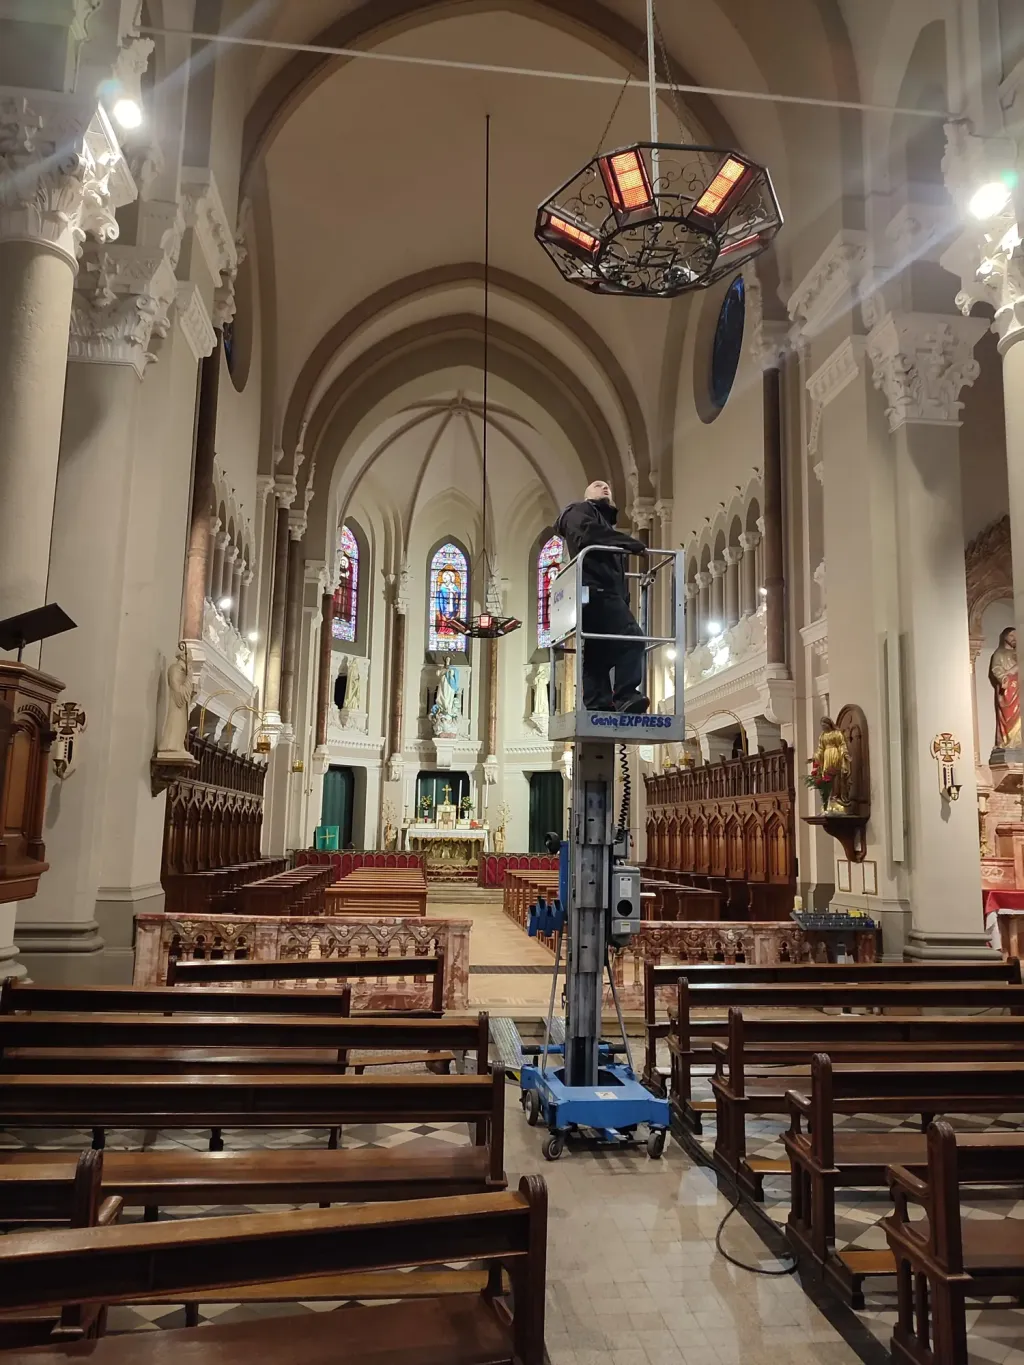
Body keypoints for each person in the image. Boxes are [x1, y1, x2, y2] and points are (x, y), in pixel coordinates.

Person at [555, 480, 648, 713]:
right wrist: (631, 543)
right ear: (586, 495)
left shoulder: (604, 527)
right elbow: (587, 533)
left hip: (602, 593)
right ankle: (626, 694)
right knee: (632, 637)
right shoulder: (578, 512)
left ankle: (599, 704)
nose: (605, 487)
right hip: (596, 591)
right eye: (598, 485)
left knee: (599, 652)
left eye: (608, 486)